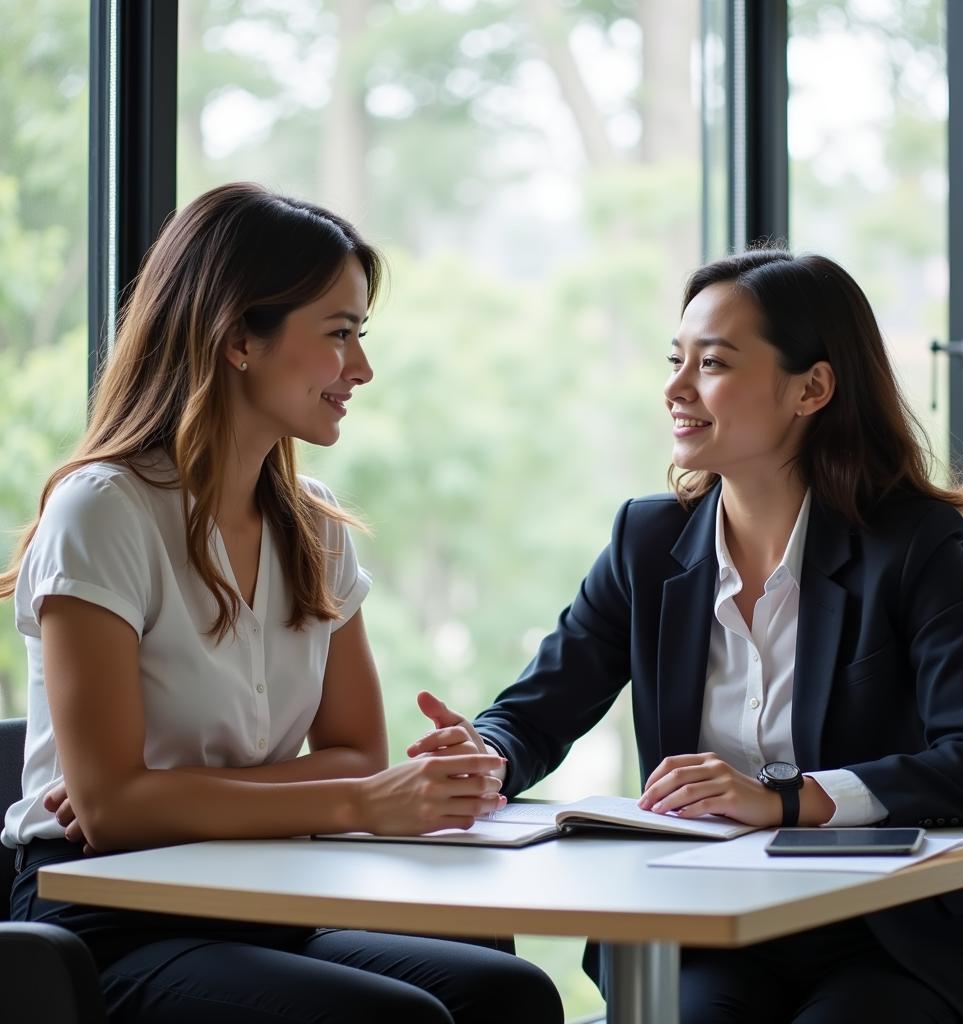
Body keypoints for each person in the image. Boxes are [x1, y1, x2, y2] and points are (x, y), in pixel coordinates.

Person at [408, 249, 963, 1024]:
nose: (675, 388)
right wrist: (485, 754)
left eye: (713, 363)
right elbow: (535, 712)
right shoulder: (647, 541)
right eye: (676, 360)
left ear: (813, 388)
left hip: (888, 939)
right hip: (706, 930)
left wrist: (788, 801)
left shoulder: (907, 545)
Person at [0, 181, 561, 1024]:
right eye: (339, 335)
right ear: (237, 339)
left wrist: (175, 793)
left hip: (267, 892)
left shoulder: (314, 528)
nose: (361, 369)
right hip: (108, 921)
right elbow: (115, 814)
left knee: (507, 991)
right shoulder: (103, 511)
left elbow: (356, 751)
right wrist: (345, 800)